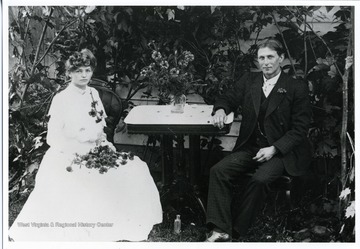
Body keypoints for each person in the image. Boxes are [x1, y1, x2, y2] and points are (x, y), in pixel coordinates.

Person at [8, 49, 163, 241]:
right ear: (70, 73)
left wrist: (103, 144)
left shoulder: (93, 93)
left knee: (134, 167)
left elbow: (99, 125)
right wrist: (73, 151)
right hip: (67, 152)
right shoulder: (61, 99)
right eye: (78, 71)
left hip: (96, 149)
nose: (83, 75)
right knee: (85, 176)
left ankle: (126, 218)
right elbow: (53, 138)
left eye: (87, 71)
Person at [205, 39, 312, 242]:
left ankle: (237, 230)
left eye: (270, 57)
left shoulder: (296, 87)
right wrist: (221, 109)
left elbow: (300, 130)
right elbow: (228, 98)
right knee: (218, 171)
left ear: (281, 58)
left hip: (282, 152)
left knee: (260, 179)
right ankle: (220, 229)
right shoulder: (249, 81)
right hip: (252, 147)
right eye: (261, 58)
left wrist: (274, 149)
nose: (266, 62)